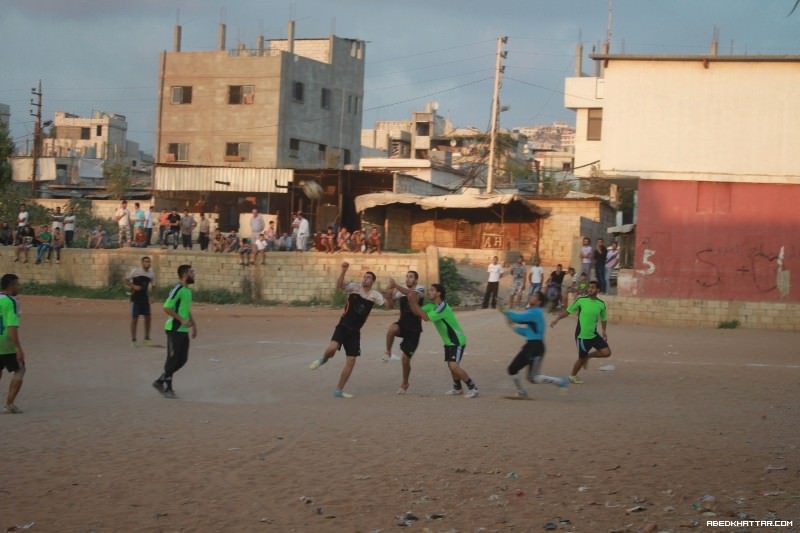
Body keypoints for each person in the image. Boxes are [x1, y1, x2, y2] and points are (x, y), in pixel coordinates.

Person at [308, 262, 385, 398]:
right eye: (364, 277)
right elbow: (339, 286)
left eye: (368, 278)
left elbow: (385, 303)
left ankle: (338, 390)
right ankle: (323, 359)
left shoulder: (375, 295)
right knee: (332, 349)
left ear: (373, 281)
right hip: (343, 326)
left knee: (351, 361)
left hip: (355, 332)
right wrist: (343, 271)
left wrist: (392, 293)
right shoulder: (354, 288)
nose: (365, 279)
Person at [407, 283, 479, 398]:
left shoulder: (442, 308)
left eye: (432, 290)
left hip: (457, 340)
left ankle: (473, 387)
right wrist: (411, 301)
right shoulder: (432, 306)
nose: (429, 292)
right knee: (451, 366)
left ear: (438, 293)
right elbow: (417, 312)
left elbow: (425, 318)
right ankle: (457, 388)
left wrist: (414, 301)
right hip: (448, 342)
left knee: (454, 365)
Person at [502, 291, 568, 398]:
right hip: (530, 346)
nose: (531, 297)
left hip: (536, 348)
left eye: (534, 296)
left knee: (534, 378)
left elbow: (518, 318)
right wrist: (512, 326)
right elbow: (527, 332)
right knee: (512, 369)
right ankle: (521, 392)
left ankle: (561, 382)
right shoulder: (533, 313)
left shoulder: (535, 312)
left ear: (539, 302)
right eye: (532, 295)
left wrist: (506, 312)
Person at [550, 280, 611, 384]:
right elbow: (568, 311)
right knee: (581, 359)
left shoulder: (601, 304)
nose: (590, 289)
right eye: (589, 287)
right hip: (582, 336)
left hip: (593, 334)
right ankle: (572, 376)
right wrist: (557, 319)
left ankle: (588, 356)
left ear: (598, 290)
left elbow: (604, 318)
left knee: (606, 352)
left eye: (593, 288)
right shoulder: (581, 300)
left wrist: (604, 331)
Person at [152, 264, 197, 398]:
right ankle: (168, 388)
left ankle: (160, 380)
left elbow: (185, 309)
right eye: (191, 272)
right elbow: (167, 307)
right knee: (172, 358)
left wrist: (194, 324)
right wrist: (182, 320)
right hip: (174, 329)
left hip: (183, 331)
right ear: (184, 275)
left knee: (182, 359)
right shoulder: (177, 289)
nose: (194, 274)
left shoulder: (187, 291)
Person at [384, 271, 426, 393]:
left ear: (416, 280)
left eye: (411, 277)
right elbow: (390, 306)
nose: (408, 279)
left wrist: (396, 285)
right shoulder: (400, 293)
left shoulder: (420, 289)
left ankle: (405, 383)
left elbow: (412, 295)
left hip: (414, 330)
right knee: (392, 328)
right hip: (402, 325)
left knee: (405, 360)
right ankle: (388, 351)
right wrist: (389, 294)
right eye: (407, 277)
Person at [0, 274, 25, 414]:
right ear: (11, 286)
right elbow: (12, 326)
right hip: (5, 341)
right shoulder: (11, 301)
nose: (19, 287)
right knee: (20, 369)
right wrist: (18, 348)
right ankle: (9, 404)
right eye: (17, 284)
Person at [126, 256, 156, 347]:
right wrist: (133, 286)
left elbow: (153, 286)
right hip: (136, 298)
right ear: (142, 263)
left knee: (148, 318)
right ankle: (133, 340)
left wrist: (152, 296)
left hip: (145, 298)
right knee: (135, 319)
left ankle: (147, 338)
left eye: (149, 262)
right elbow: (126, 280)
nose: (147, 263)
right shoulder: (136, 271)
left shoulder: (151, 274)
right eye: (145, 262)